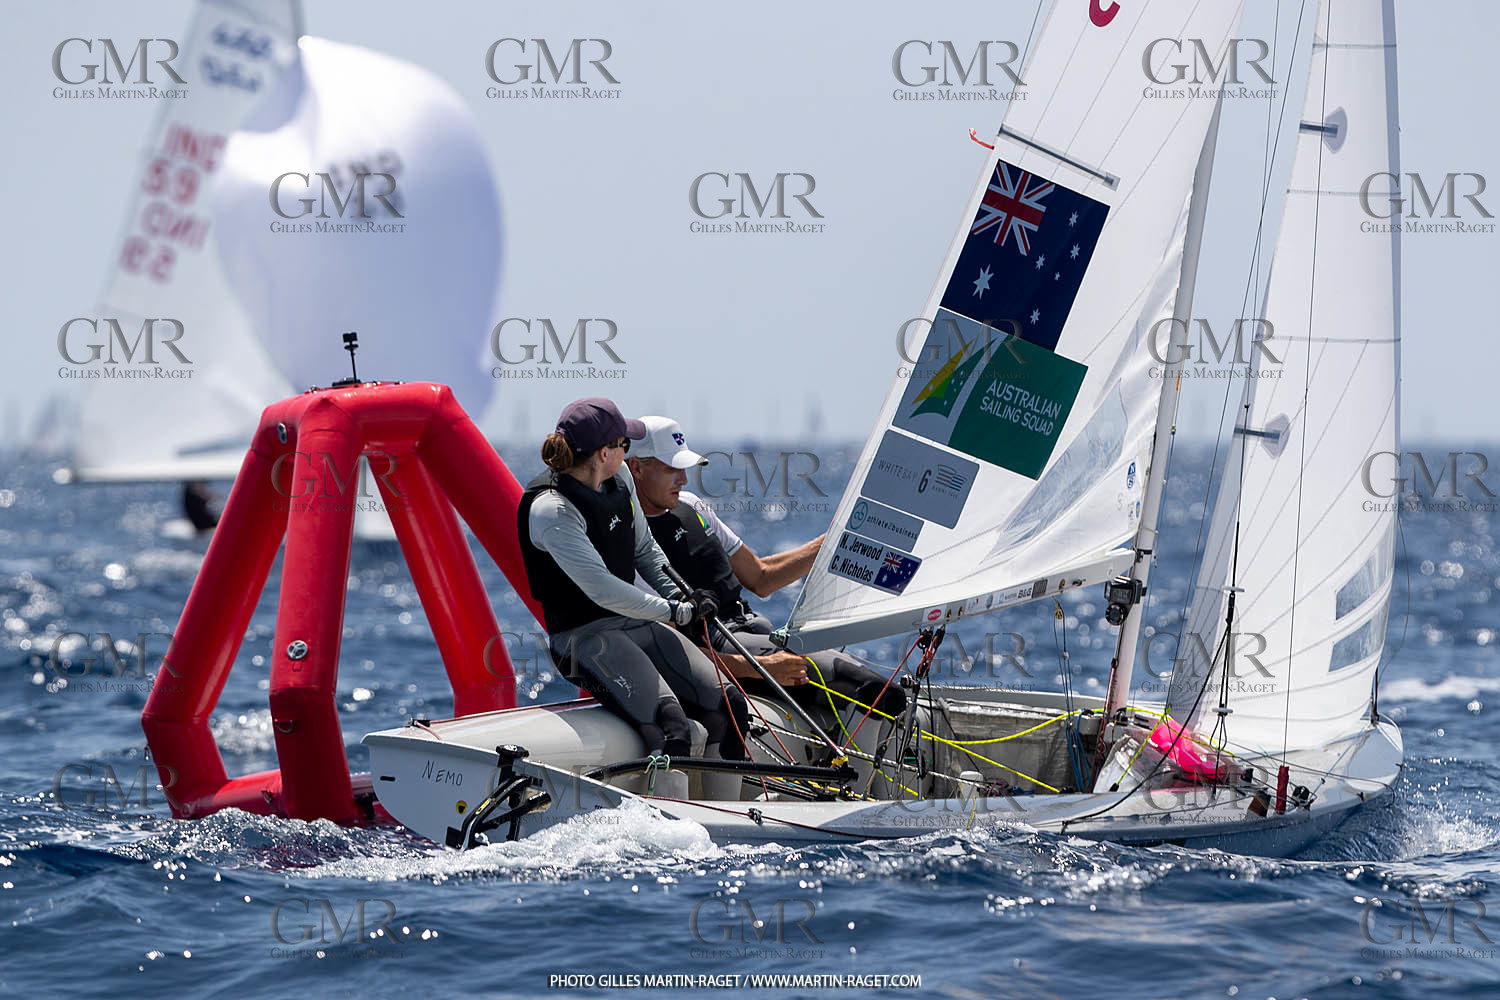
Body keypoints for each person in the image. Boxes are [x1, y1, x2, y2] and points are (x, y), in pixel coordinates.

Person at [625, 415, 906, 732]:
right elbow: (670, 650)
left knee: (890, 696)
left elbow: (761, 577)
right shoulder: (627, 543)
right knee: (877, 692)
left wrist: (829, 544)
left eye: (684, 468)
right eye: (672, 469)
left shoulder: (692, 506)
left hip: (755, 632)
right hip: (724, 651)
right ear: (636, 468)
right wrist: (761, 668)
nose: (684, 479)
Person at [517, 398, 749, 766]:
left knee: (731, 708)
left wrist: (684, 594)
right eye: (624, 444)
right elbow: (603, 590)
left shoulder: (621, 477)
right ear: (603, 453)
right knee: (674, 730)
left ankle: (728, 801)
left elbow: (645, 548)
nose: (628, 451)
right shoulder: (552, 509)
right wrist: (675, 611)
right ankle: (664, 803)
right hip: (585, 639)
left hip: (635, 623)